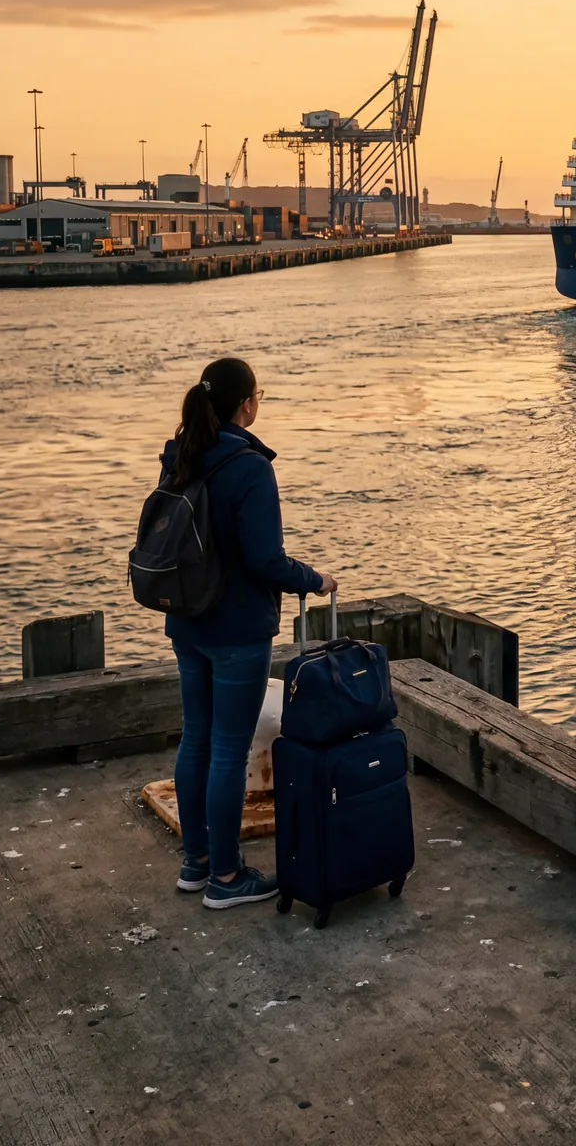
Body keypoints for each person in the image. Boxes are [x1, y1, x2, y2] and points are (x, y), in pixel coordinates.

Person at [158, 356, 335, 909]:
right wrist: (316, 578)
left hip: (187, 619)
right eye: (259, 394)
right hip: (236, 630)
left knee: (197, 739)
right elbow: (265, 560)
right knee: (230, 752)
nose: (260, 402)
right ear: (245, 404)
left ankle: (197, 863)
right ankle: (227, 879)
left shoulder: (180, 451)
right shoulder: (249, 466)